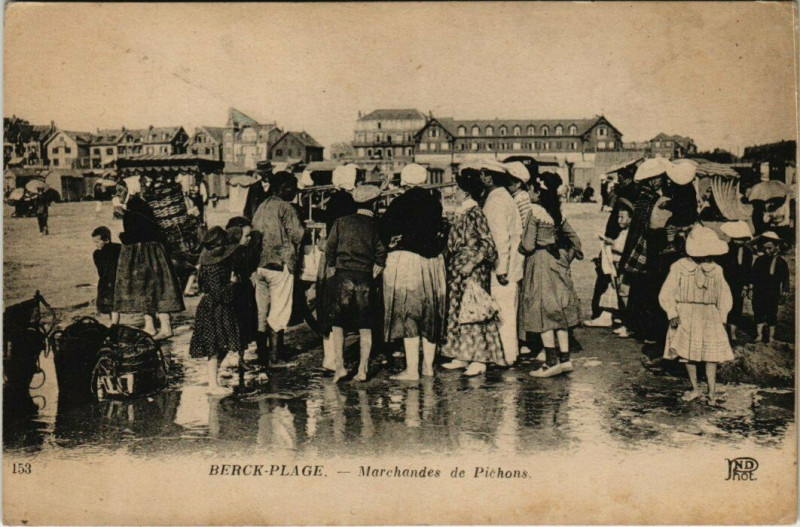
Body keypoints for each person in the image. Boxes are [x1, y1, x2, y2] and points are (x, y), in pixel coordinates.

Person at [379, 163, 447, 381]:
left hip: (407, 260)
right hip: (433, 262)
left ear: (405, 181)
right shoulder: (434, 202)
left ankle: (411, 369)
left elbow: (384, 229)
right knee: (430, 313)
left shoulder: (400, 202)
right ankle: (428, 366)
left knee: (408, 312)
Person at [440, 167, 505, 377]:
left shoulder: (475, 212)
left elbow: (488, 244)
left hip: (473, 271)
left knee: (475, 313)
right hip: (459, 269)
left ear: (466, 192)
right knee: (460, 311)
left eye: (457, 190)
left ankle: (480, 359)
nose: (454, 194)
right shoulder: (462, 212)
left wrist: (472, 263)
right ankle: (462, 354)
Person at [659, 226, 733, 405]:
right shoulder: (679, 267)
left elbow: (724, 295)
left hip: (709, 315)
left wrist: (722, 317)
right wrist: (672, 312)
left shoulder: (716, 270)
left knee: (711, 355)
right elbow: (667, 291)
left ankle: (712, 392)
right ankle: (695, 388)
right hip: (686, 313)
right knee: (688, 354)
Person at [519, 172, 583, 378]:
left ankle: (551, 361)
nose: (528, 192)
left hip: (539, 263)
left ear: (538, 191)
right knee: (559, 312)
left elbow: (528, 245)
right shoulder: (557, 212)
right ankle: (565, 359)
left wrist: (520, 248)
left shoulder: (534, 211)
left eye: (530, 189)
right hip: (557, 263)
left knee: (543, 311)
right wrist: (566, 257)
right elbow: (575, 240)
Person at [325, 184, 386, 382]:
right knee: (365, 326)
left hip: (342, 277)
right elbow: (381, 251)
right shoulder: (375, 225)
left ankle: (340, 367)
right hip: (364, 278)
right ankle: (362, 370)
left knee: (338, 325)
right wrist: (378, 266)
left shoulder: (341, 222)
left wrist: (332, 266)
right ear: (374, 203)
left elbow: (330, 247)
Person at [113, 177, 185, 339]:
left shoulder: (137, 205)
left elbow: (142, 231)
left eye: (120, 190)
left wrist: (123, 235)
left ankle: (165, 327)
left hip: (148, 252)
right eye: (117, 191)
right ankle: (150, 326)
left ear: (130, 189)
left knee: (156, 287)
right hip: (144, 251)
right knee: (146, 288)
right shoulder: (133, 205)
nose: (118, 194)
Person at [251, 170, 306, 368]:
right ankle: (275, 358)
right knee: (279, 311)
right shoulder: (286, 208)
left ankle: (262, 353)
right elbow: (298, 235)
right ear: (283, 189)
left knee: (261, 311)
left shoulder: (262, 206)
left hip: (260, 265)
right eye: (292, 187)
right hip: (279, 265)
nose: (295, 191)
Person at [618, 158, 670, 343]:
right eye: (654, 178)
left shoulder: (660, 196)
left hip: (654, 246)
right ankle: (644, 329)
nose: (656, 181)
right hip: (647, 246)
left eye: (658, 178)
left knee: (650, 289)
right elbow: (640, 227)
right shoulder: (646, 197)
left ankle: (650, 330)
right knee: (644, 289)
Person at [189, 227, 243, 395]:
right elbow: (220, 294)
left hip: (209, 307)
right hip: (216, 309)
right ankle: (212, 384)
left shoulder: (206, 266)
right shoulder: (217, 268)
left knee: (219, 346)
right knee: (215, 349)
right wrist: (233, 284)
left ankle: (214, 378)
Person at [480, 162, 523, 366]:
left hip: (502, 267)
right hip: (510, 264)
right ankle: (508, 354)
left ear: (489, 178)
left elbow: (500, 238)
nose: (480, 178)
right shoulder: (503, 197)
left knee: (503, 311)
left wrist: (501, 268)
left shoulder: (495, 201)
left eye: (483, 174)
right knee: (506, 310)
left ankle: (506, 356)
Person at [319, 165, 358, 372]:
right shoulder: (349, 201)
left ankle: (330, 357)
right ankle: (335, 359)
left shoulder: (333, 200)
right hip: (345, 258)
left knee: (330, 307)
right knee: (341, 308)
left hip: (331, 256)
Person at [584, 205, 631, 328]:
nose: (619, 220)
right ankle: (607, 316)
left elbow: (624, 249)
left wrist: (611, 243)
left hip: (620, 268)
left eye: (622, 217)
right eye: (618, 217)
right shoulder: (622, 232)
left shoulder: (628, 234)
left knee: (622, 294)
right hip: (614, 267)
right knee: (612, 291)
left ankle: (625, 322)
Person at [226, 216, 261, 354]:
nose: (249, 239)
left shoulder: (247, 250)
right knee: (238, 323)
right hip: (235, 291)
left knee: (247, 323)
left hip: (245, 289)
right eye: (246, 236)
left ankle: (242, 357)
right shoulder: (230, 253)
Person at [751, 231, 790, 343]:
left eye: (770, 248)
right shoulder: (759, 260)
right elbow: (753, 275)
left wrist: (785, 290)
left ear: (777, 247)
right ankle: (759, 335)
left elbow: (785, 277)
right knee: (758, 310)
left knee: (772, 312)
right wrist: (750, 287)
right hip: (759, 291)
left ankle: (771, 336)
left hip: (773, 291)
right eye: (765, 248)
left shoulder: (781, 262)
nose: (767, 250)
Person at [719, 220, 754, 341]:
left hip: (739, 284)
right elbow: (720, 268)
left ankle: (733, 332)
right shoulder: (724, 249)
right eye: (739, 239)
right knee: (724, 306)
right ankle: (722, 331)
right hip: (725, 282)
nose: (741, 241)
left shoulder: (748, 252)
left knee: (737, 306)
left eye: (744, 239)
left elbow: (748, 270)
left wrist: (746, 285)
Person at [91, 226, 121, 326]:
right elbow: (101, 270)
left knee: (113, 304)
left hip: (115, 280)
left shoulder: (118, 249)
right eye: (94, 242)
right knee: (109, 304)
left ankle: (114, 324)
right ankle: (112, 323)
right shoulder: (97, 254)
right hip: (105, 280)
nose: (96, 245)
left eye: (97, 242)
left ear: (107, 240)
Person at [504, 161, 533, 226]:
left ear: (518, 184)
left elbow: (525, 222)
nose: (505, 185)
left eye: (508, 183)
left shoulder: (522, 198)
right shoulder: (517, 196)